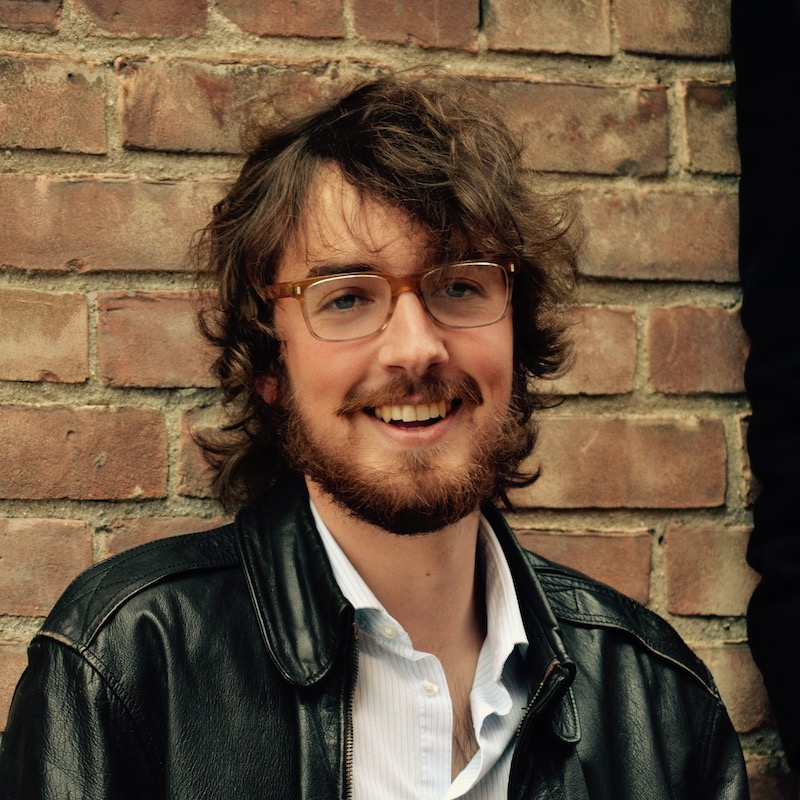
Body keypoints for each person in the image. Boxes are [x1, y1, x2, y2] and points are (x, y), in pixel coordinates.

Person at [0, 72, 748, 799]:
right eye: (348, 298)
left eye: (459, 285)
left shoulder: (657, 706)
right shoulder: (127, 665)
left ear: (515, 332)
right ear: (269, 360)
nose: (416, 347)